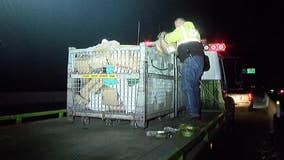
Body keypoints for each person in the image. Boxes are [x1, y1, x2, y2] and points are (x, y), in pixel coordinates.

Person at [164, 18, 205, 119]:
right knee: (194, 86)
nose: (176, 27)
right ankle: (196, 111)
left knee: (186, 85)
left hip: (190, 60)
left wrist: (164, 36)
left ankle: (192, 112)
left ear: (180, 23)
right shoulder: (194, 31)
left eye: (176, 25)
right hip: (200, 60)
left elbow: (168, 38)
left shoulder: (182, 29)